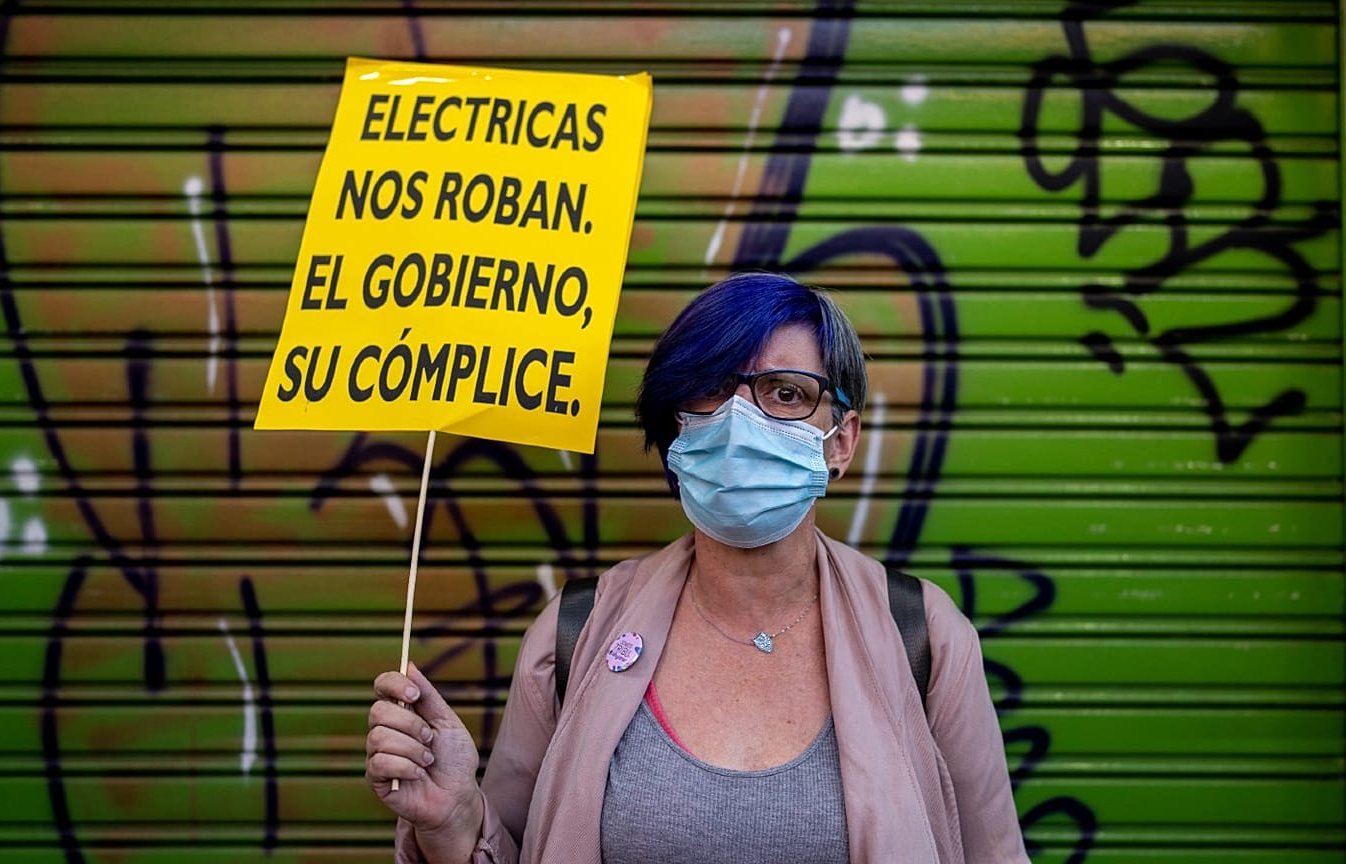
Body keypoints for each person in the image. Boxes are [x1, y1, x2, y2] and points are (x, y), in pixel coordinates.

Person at [366, 272, 1029, 863]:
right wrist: (453, 825)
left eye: (787, 394)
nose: (740, 422)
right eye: (710, 390)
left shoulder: (925, 636)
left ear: (842, 441)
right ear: (676, 429)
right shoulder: (577, 633)